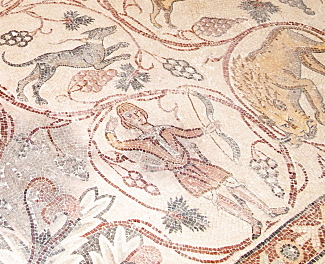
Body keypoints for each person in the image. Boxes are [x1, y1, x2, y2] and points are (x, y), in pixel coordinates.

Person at [105, 102, 287, 240]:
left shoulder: (165, 129)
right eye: (129, 116)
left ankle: (267, 209)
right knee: (217, 198)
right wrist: (109, 129)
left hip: (195, 164)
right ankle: (253, 222)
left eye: (137, 112)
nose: (136, 116)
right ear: (126, 122)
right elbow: (118, 144)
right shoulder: (142, 142)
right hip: (183, 174)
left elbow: (187, 133)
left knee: (232, 184)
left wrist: (206, 129)